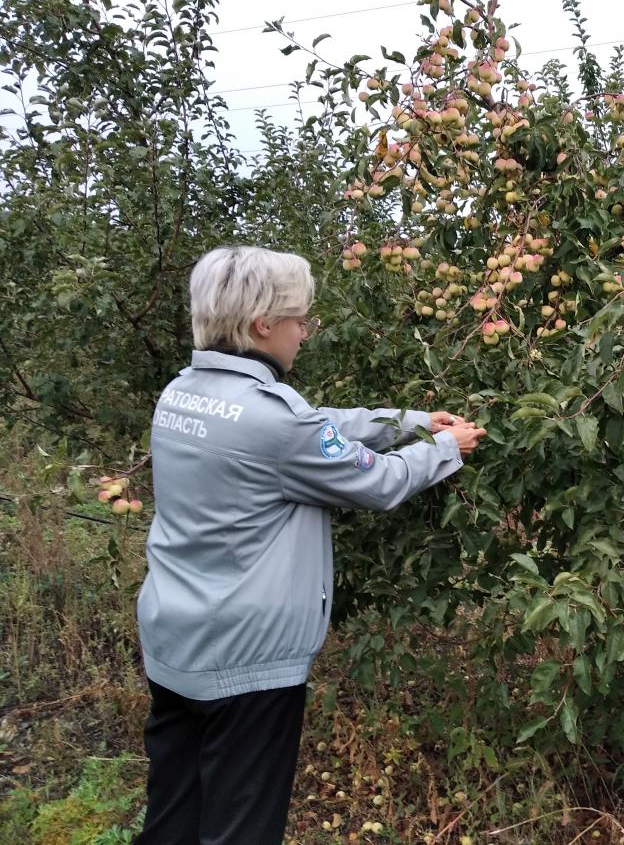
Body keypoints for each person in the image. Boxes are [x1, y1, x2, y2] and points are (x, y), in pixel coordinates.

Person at [133, 246, 487, 845]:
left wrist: (410, 419)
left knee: (174, 814)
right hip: (248, 662)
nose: (305, 332)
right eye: (301, 318)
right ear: (262, 324)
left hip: (174, 638)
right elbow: (378, 480)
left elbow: (316, 425)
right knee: (241, 827)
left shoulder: (183, 394)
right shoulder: (274, 420)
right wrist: (446, 448)